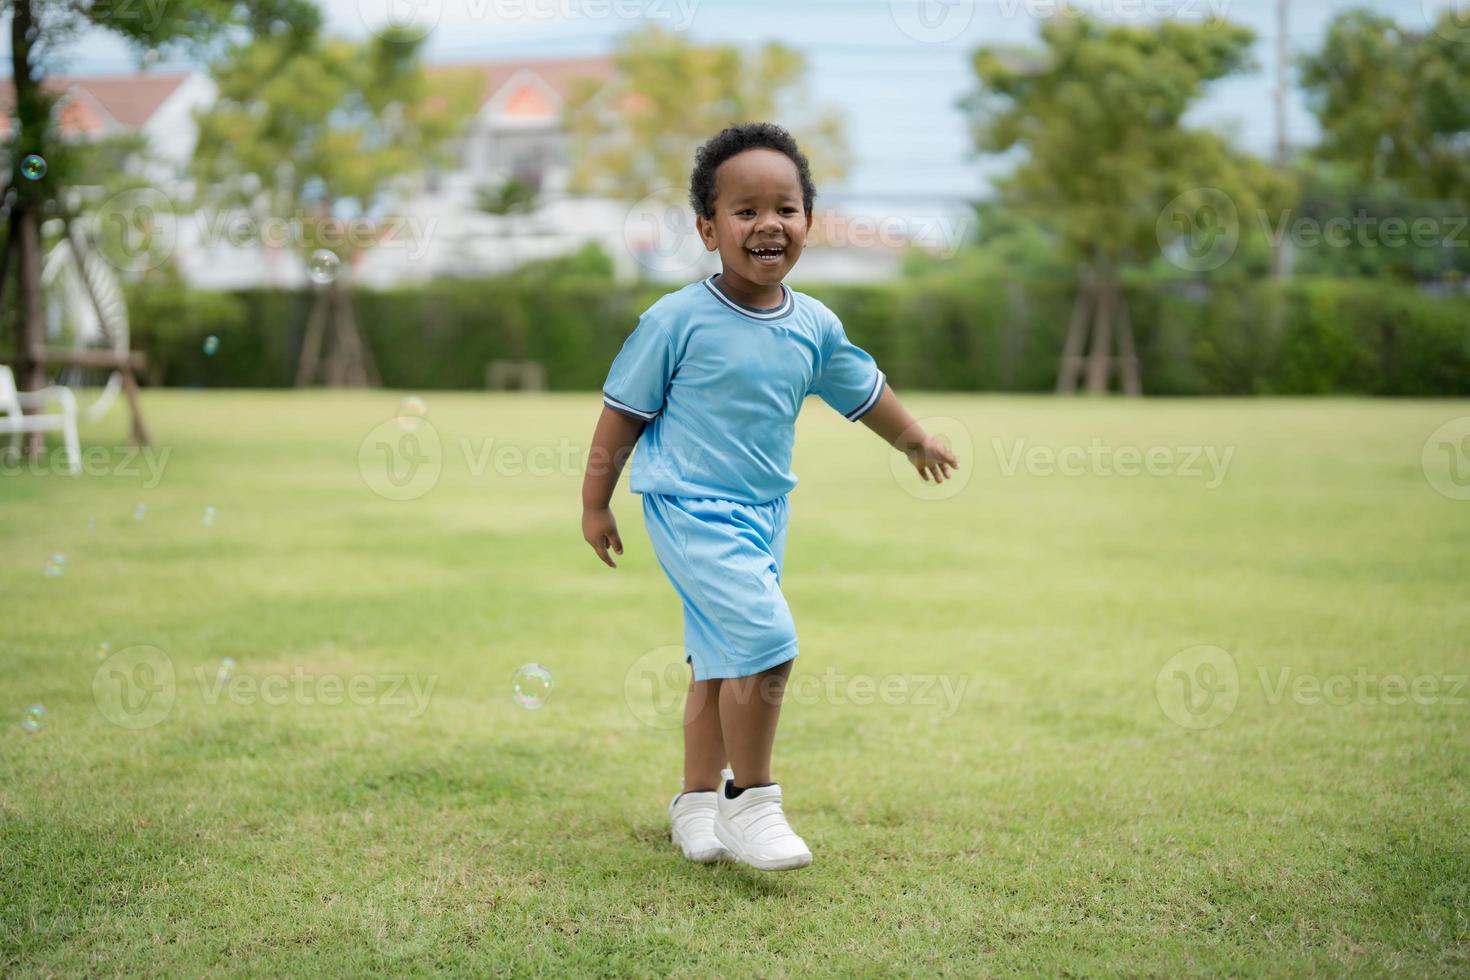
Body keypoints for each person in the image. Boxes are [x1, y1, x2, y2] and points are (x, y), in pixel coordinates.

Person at [580, 122, 958, 871]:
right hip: (687, 507)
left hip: (763, 514)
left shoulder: (813, 324)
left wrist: (913, 437)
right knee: (766, 641)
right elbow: (622, 413)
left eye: (784, 208)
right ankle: (752, 803)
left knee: (721, 661)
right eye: (744, 210)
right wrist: (596, 503)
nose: (767, 224)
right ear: (707, 228)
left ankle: (695, 803)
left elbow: (865, 389)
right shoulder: (676, 320)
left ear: (808, 223)